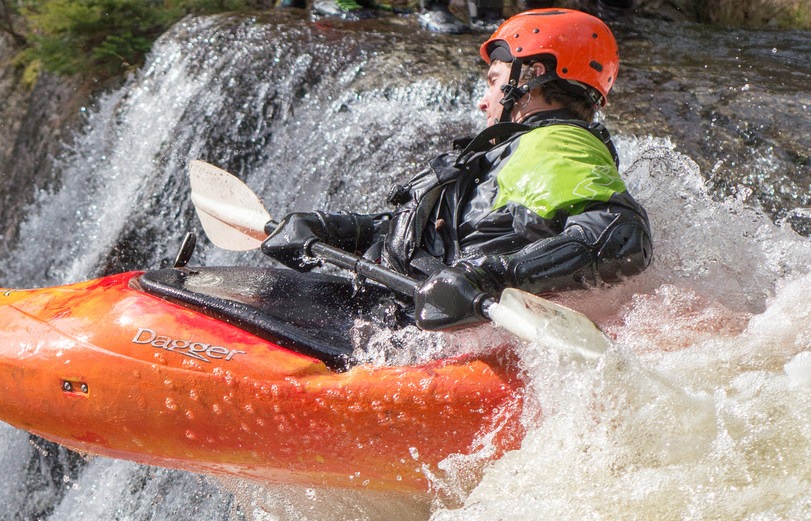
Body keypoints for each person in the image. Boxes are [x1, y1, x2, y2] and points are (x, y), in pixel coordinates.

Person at [259, 7, 652, 330]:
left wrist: (493, 276)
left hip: (423, 335)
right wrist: (341, 229)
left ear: (532, 77)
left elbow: (618, 237)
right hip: (400, 312)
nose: (483, 101)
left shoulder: (555, 144)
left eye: (494, 81)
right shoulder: (516, 150)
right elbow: (442, 238)